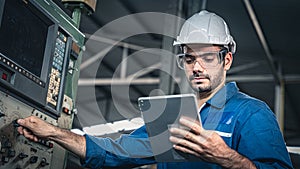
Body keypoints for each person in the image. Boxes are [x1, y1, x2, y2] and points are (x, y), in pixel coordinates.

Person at [17, 10, 293, 169]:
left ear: (227, 60)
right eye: (189, 58)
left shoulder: (252, 114)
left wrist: (229, 159)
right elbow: (117, 151)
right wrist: (55, 132)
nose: (197, 67)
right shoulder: (170, 114)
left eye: (208, 58)